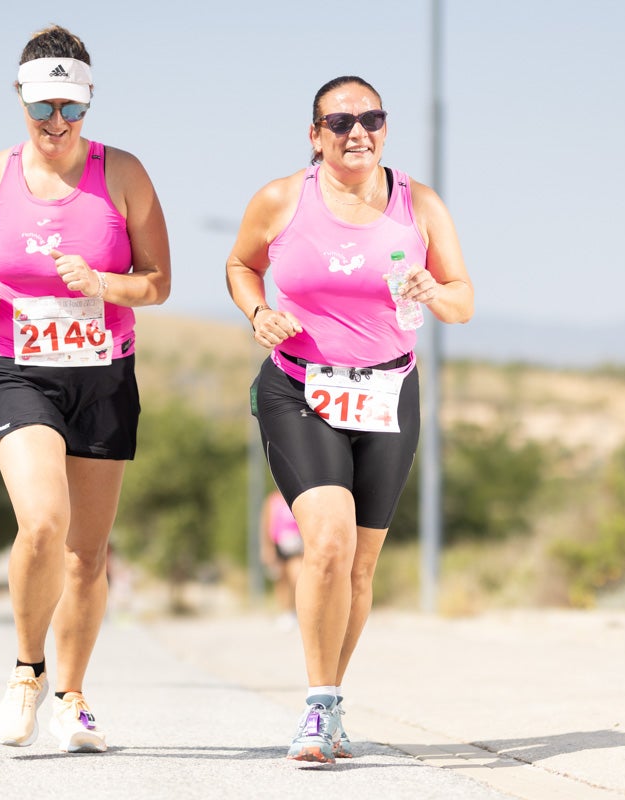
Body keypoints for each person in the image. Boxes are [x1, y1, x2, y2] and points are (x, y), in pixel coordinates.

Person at [225, 75, 474, 764]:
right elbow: (240, 264)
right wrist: (258, 312)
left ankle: (332, 701)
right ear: (315, 135)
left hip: (389, 396)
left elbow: (462, 301)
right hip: (299, 390)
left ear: (385, 129)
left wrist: (435, 289)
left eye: (371, 118)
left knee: (360, 569)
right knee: (327, 543)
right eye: (339, 122)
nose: (356, 131)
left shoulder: (418, 204)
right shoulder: (282, 199)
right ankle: (316, 707)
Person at [0, 24, 170, 753]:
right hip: (17, 368)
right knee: (43, 522)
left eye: (71, 109)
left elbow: (158, 284)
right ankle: (26, 673)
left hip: (102, 373)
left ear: (89, 102)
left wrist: (104, 283)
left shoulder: (124, 174)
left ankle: (72, 696)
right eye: (43, 109)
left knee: (87, 554)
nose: (57, 125)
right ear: (20, 99)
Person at [260, 489, 303, 629]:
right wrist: (267, 548)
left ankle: (299, 610)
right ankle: (286, 612)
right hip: (278, 544)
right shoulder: (272, 500)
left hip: (297, 545)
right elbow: (266, 525)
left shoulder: (299, 496)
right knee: (281, 580)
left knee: (297, 577)